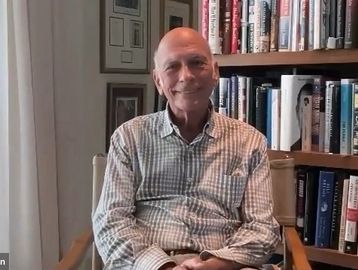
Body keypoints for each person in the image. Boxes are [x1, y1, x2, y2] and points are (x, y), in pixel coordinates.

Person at [93, 27, 280, 270]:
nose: (186, 76)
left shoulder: (250, 142)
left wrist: (217, 263)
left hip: (223, 265)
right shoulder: (129, 138)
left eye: (197, 63)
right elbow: (111, 222)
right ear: (158, 80)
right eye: (172, 67)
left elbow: (262, 229)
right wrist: (164, 266)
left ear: (215, 72)